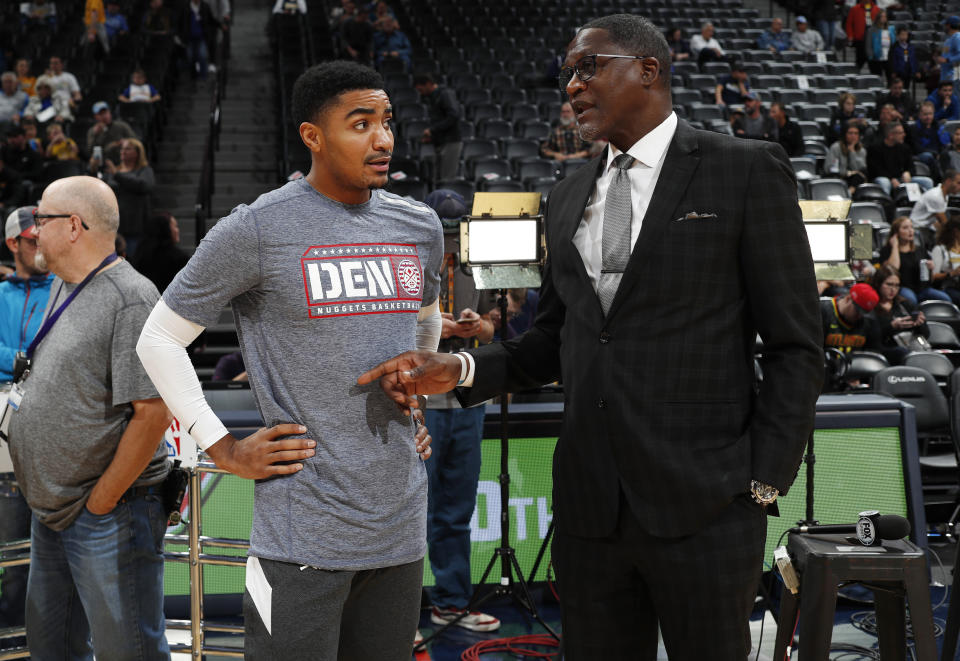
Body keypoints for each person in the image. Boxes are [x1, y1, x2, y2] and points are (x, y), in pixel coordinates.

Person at [358, 14, 823, 659]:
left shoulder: (742, 169)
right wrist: (459, 371)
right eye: (566, 76)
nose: (572, 87)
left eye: (588, 68)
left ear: (648, 70)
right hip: (589, 508)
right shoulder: (570, 190)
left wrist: (763, 481)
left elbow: (797, 344)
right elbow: (551, 340)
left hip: (708, 504)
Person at [136, 61, 441, 660]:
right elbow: (158, 340)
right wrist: (221, 447)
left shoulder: (419, 224)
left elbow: (426, 315)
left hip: (401, 527)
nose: (383, 139)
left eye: (386, 122)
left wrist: (417, 389)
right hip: (301, 534)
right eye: (361, 123)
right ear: (313, 136)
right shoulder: (255, 228)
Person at [6, 175, 171, 660]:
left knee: (129, 650)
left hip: (106, 512)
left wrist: (101, 502)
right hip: (55, 510)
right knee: (51, 646)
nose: (35, 230)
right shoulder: (64, 284)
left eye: (42, 219)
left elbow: (153, 415)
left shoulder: (132, 298)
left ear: (73, 226)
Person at [418, 191, 499, 638]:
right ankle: (395, 616)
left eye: (455, 232)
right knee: (413, 510)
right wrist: (434, 327)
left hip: (470, 399)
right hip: (420, 402)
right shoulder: (410, 268)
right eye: (444, 233)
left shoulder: (482, 266)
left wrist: (477, 327)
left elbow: (499, 323)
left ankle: (450, 603)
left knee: (456, 510)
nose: (450, 242)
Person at [0, 207, 50, 637]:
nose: (42, 246)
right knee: (12, 548)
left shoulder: (65, 288)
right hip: (6, 439)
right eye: (33, 240)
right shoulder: (1, 295)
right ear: (13, 243)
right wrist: (16, 360)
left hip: (53, 438)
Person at [100, 138, 155, 254]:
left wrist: (117, 175)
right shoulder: (113, 171)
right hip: (114, 227)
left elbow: (144, 185)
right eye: (122, 149)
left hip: (134, 227)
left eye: (127, 149)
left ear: (137, 153)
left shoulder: (144, 171)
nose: (123, 152)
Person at [879, 216, 950, 303]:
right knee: (911, 300)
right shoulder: (887, 251)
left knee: (946, 299)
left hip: (923, 289)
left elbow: (930, 280)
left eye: (911, 227)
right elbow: (893, 270)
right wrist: (895, 246)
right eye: (905, 228)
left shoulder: (920, 250)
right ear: (896, 233)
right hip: (901, 288)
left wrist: (931, 269)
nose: (910, 230)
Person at [868, 265, 930, 363]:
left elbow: (925, 335)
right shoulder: (870, 306)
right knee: (902, 353)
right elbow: (870, 340)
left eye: (896, 285)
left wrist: (920, 324)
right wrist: (892, 326)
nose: (893, 289)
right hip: (882, 350)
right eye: (889, 284)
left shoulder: (905, 304)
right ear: (878, 284)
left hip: (909, 346)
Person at [413, 74, 462, 184]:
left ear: (429, 84)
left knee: (447, 179)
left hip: (451, 142)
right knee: (438, 179)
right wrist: (432, 136)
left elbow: (454, 116)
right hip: (441, 142)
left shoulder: (445, 94)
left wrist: (432, 130)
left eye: (421, 89)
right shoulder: (433, 97)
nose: (421, 93)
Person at [867, 122, 934, 195]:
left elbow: (911, 167)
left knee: (927, 181)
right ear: (891, 135)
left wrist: (908, 172)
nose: (904, 135)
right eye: (900, 133)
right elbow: (876, 170)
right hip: (884, 178)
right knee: (884, 182)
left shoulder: (904, 148)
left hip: (901, 178)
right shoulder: (875, 149)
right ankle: (886, 204)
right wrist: (891, 179)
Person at [130, 212, 190, 293]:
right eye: (175, 226)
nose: (177, 230)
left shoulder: (140, 254)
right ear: (166, 229)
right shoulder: (179, 258)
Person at [822, 282, 883, 352]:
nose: (860, 316)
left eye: (864, 313)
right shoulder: (822, 311)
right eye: (857, 310)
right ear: (848, 298)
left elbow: (874, 351)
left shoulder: (869, 320)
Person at [179, 0, 217, 81]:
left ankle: (203, 76)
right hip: (189, 37)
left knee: (202, 55)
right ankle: (193, 76)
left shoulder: (204, 6)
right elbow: (181, 21)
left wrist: (220, 25)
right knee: (190, 57)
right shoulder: (185, 6)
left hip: (201, 36)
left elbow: (211, 19)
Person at [910, 100, 950, 176]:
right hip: (922, 155)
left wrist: (941, 153)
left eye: (930, 114)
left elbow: (944, 144)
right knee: (928, 156)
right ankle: (938, 178)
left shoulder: (938, 127)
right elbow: (917, 148)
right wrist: (934, 154)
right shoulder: (914, 128)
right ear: (919, 115)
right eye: (925, 114)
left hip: (937, 154)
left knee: (947, 154)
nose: (928, 117)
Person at [826, 121, 869, 191]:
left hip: (855, 180)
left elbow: (861, 170)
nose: (853, 136)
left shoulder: (861, 150)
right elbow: (829, 168)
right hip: (839, 177)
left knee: (859, 177)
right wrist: (847, 173)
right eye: (850, 133)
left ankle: (849, 193)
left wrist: (852, 152)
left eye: (856, 133)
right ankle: (849, 194)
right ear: (844, 134)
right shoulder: (836, 147)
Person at [930, 216, 960, 305]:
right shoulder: (940, 249)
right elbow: (933, 276)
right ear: (956, 231)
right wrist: (952, 273)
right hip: (948, 287)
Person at [846, 0, 881, 71]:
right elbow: (849, 24)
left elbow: (880, 24)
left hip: (873, 40)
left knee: (874, 64)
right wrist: (850, 36)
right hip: (860, 40)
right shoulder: (854, 9)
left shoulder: (877, 9)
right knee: (859, 61)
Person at [865, 10, 896, 79]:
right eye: (882, 16)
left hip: (888, 58)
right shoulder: (871, 30)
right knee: (877, 78)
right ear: (878, 18)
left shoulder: (891, 29)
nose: (883, 18)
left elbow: (893, 43)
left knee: (890, 77)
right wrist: (871, 56)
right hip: (876, 59)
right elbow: (868, 45)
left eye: (885, 16)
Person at [939, 16, 960, 82]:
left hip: (954, 75)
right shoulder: (949, 39)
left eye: (945, 25)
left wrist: (947, 60)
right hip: (946, 74)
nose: (944, 27)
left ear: (949, 26)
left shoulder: (957, 37)